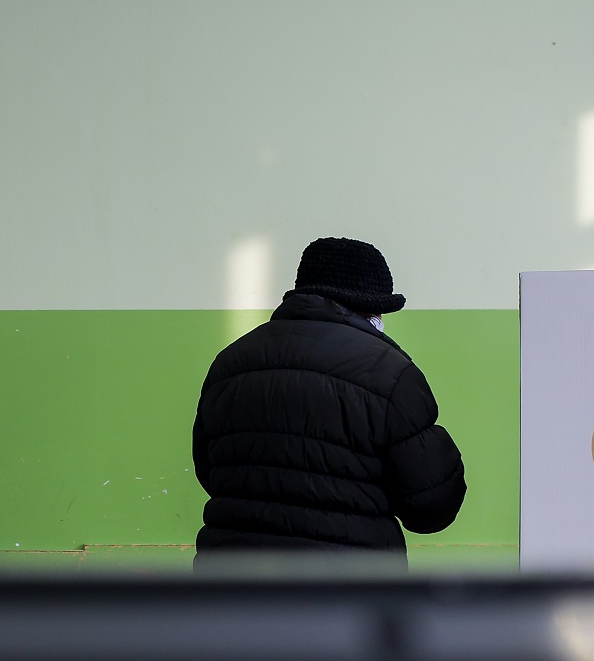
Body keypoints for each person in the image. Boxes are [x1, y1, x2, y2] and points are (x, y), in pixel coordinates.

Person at [192, 237, 466, 562]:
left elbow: (209, 470)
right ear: (370, 308)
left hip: (231, 583)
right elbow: (431, 507)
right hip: (346, 588)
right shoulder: (390, 373)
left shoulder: (229, 363)